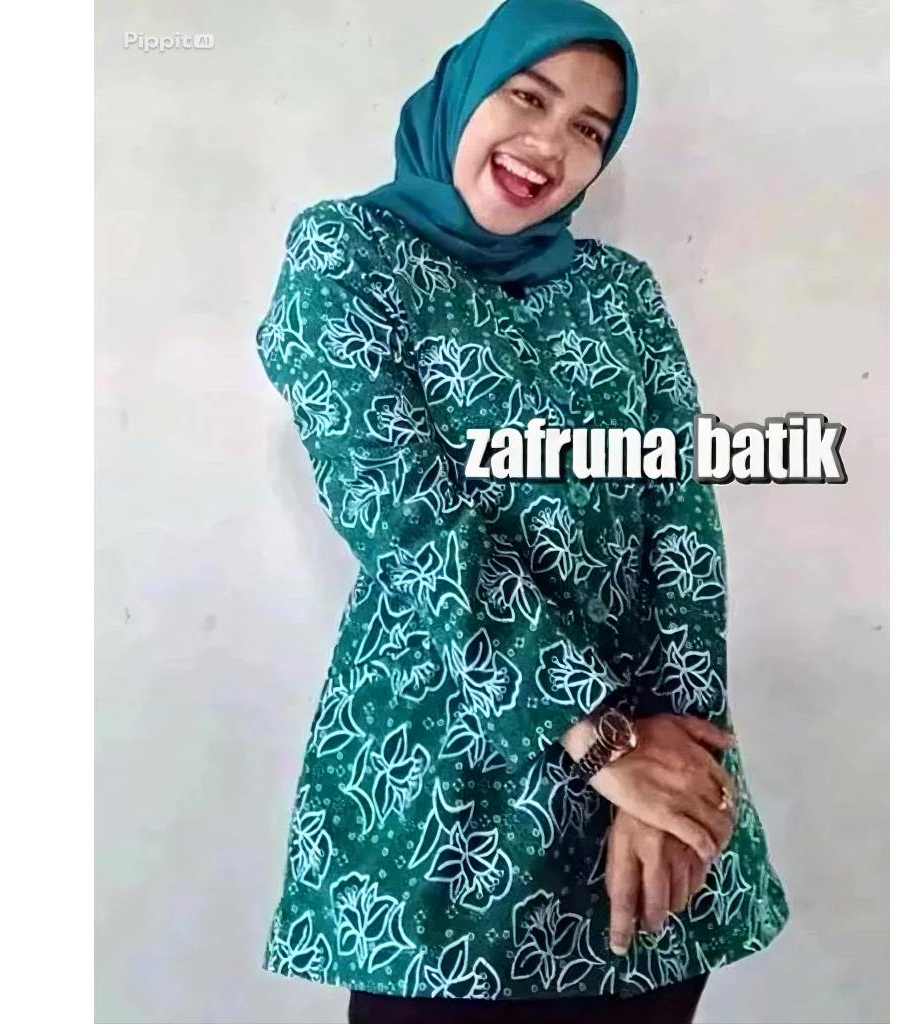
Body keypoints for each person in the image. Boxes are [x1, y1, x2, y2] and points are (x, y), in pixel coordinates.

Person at [254, 1, 789, 1021]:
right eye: (527, 97)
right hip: (444, 799)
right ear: (463, 93)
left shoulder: (620, 292)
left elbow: (679, 522)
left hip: (643, 810)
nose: (549, 144)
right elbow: (407, 520)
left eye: (589, 127)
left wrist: (673, 773)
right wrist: (601, 742)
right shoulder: (347, 253)